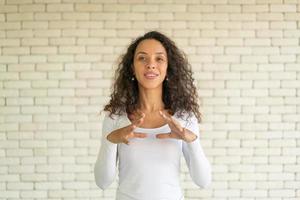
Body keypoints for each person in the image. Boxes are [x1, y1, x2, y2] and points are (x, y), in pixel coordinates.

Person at [94, 31, 211, 200]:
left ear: (168, 68)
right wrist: (111, 141)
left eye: (159, 58)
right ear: (132, 68)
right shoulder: (116, 117)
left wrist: (191, 140)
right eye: (142, 58)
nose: (151, 64)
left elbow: (203, 181)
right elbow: (102, 182)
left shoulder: (184, 118)